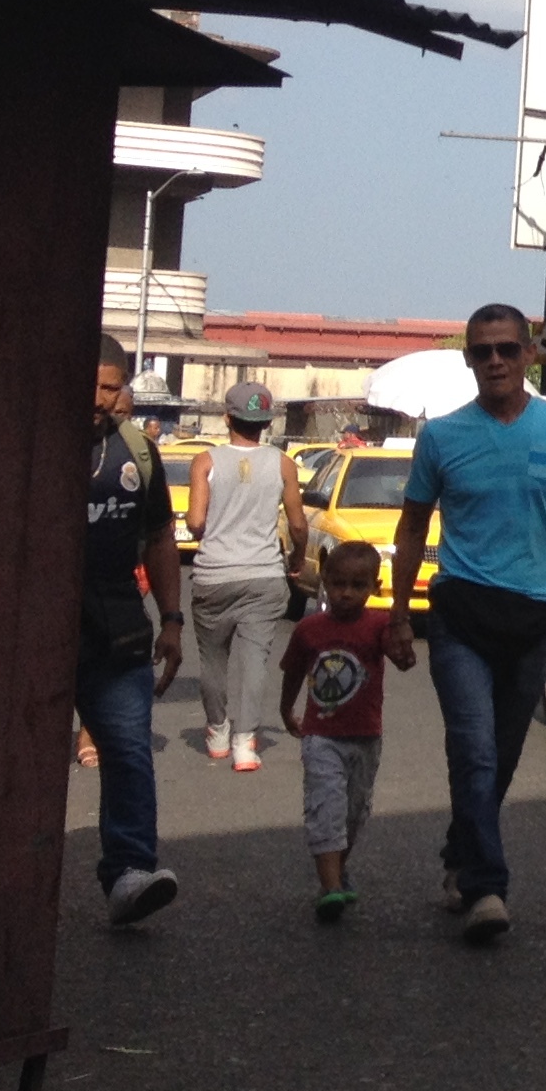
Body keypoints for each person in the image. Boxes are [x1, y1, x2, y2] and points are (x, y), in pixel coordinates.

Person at [386, 304, 546, 945]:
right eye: (482, 352)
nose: (495, 362)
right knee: (474, 748)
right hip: (460, 613)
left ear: (530, 354)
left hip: (534, 615)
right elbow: (411, 528)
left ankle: (460, 854)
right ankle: (488, 886)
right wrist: (399, 615)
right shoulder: (442, 437)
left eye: (507, 350)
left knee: (504, 757)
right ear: (468, 361)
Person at [80, 336, 182, 927]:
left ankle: (129, 873)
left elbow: (161, 538)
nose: (101, 397)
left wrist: (171, 620)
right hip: (39, 623)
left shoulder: (138, 454)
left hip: (116, 626)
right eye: (92, 384)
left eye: (111, 386)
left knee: (126, 749)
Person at [185, 380, 309, 772]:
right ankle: (245, 742)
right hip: (264, 573)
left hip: (215, 574)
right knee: (255, 660)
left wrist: (209, 529)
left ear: (227, 418)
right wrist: (297, 558)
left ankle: (218, 730)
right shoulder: (282, 464)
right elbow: (298, 524)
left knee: (213, 660)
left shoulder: (205, 461)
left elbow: (196, 521)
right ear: (266, 423)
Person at [280, 539, 400, 924]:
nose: (347, 594)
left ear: (374, 587)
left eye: (358, 585)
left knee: (353, 812)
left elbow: (400, 655)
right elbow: (294, 672)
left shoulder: (378, 625)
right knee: (325, 807)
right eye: (339, 584)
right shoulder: (309, 629)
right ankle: (330, 887)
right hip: (322, 737)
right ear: (325, 583)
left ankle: (338, 870)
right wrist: (286, 709)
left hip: (365, 736)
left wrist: (403, 645)